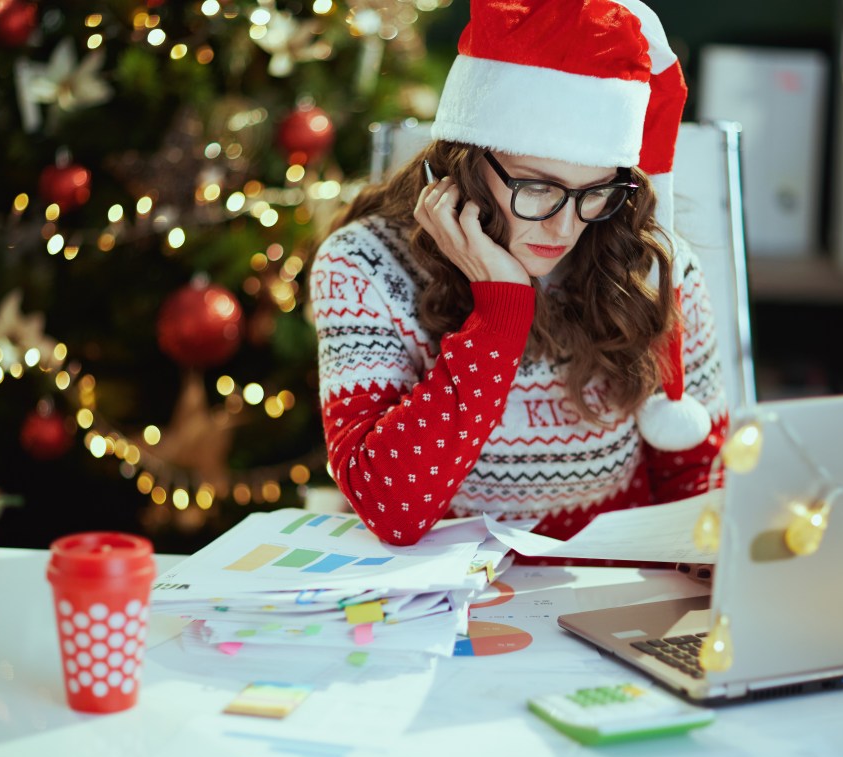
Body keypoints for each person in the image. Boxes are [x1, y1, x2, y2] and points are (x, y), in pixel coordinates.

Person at [309, 0, 727, 550]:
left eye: (595, 190)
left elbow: (698, 481)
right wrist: (501, 310)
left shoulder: (644, 266)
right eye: (535, 186)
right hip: (442, 606)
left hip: (611, 586)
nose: (564, 224)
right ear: (465, 159)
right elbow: (390, 508)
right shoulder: (362, 265)